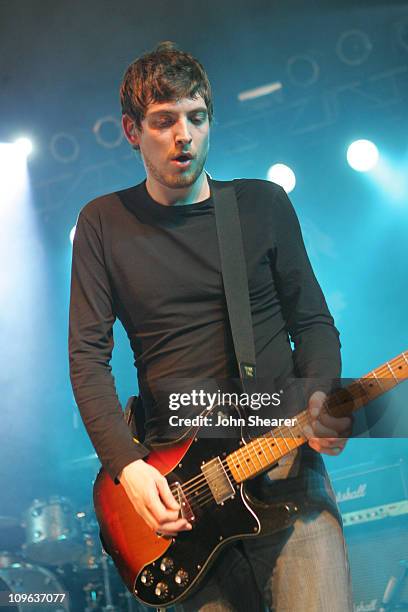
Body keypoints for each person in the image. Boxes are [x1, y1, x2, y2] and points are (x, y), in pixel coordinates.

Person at [69, 41, 353, 611]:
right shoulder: (103, 223)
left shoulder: (261, 206)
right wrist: (127, 467)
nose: (184, 135)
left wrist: (320, 392)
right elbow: (87, 358)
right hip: (182, 496)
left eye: (196, 118)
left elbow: (314, 322)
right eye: (164, 120)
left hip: (284, 472)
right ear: (131, 130)